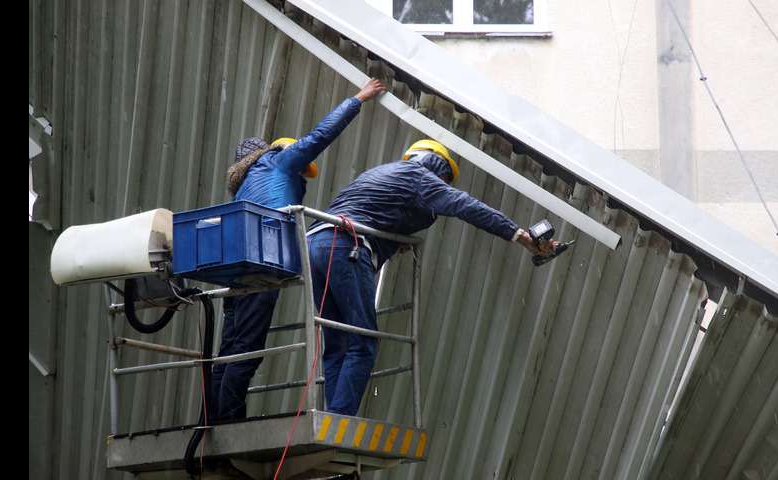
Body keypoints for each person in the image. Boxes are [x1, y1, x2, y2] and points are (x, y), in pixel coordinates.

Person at [306, 139, 560, 416]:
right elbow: (466, 206)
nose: (444, 184)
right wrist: (521, 235)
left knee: (337, 344)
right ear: (436, 164)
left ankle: (331, 417)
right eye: (445, 179)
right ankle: (339, 420)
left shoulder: (382, 173)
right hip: (346, 247)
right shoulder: (419, 176)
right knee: (363, 343)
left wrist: (394, 240)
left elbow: (377, 210)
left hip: (315, 243)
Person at [211, 77, 389, 422]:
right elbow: (321, 135)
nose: (302, 181)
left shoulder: (244, 187)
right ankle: (228, 425)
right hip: (262, 265)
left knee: (228, 352)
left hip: (235, 271)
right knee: (245, 351)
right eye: (301, 174)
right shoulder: (278, 161)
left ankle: (213, 425)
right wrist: (358, 99)